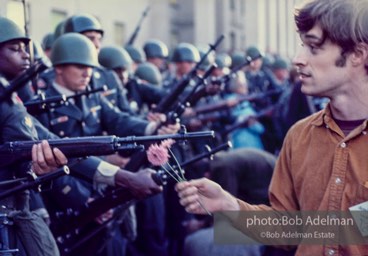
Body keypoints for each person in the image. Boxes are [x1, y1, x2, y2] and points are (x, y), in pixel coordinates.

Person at [176, 0, 368, 255]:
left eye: (313, 47)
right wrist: (231, 208)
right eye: (303, 47)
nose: (298, 59)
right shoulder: (299, 136)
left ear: (357, 54)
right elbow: (289, 231)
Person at [0, 16, 68, 256]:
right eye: (14, 49)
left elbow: (38, 139)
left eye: (25, 49)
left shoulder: (10, 96)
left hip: (15, 208)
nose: (25, 55)